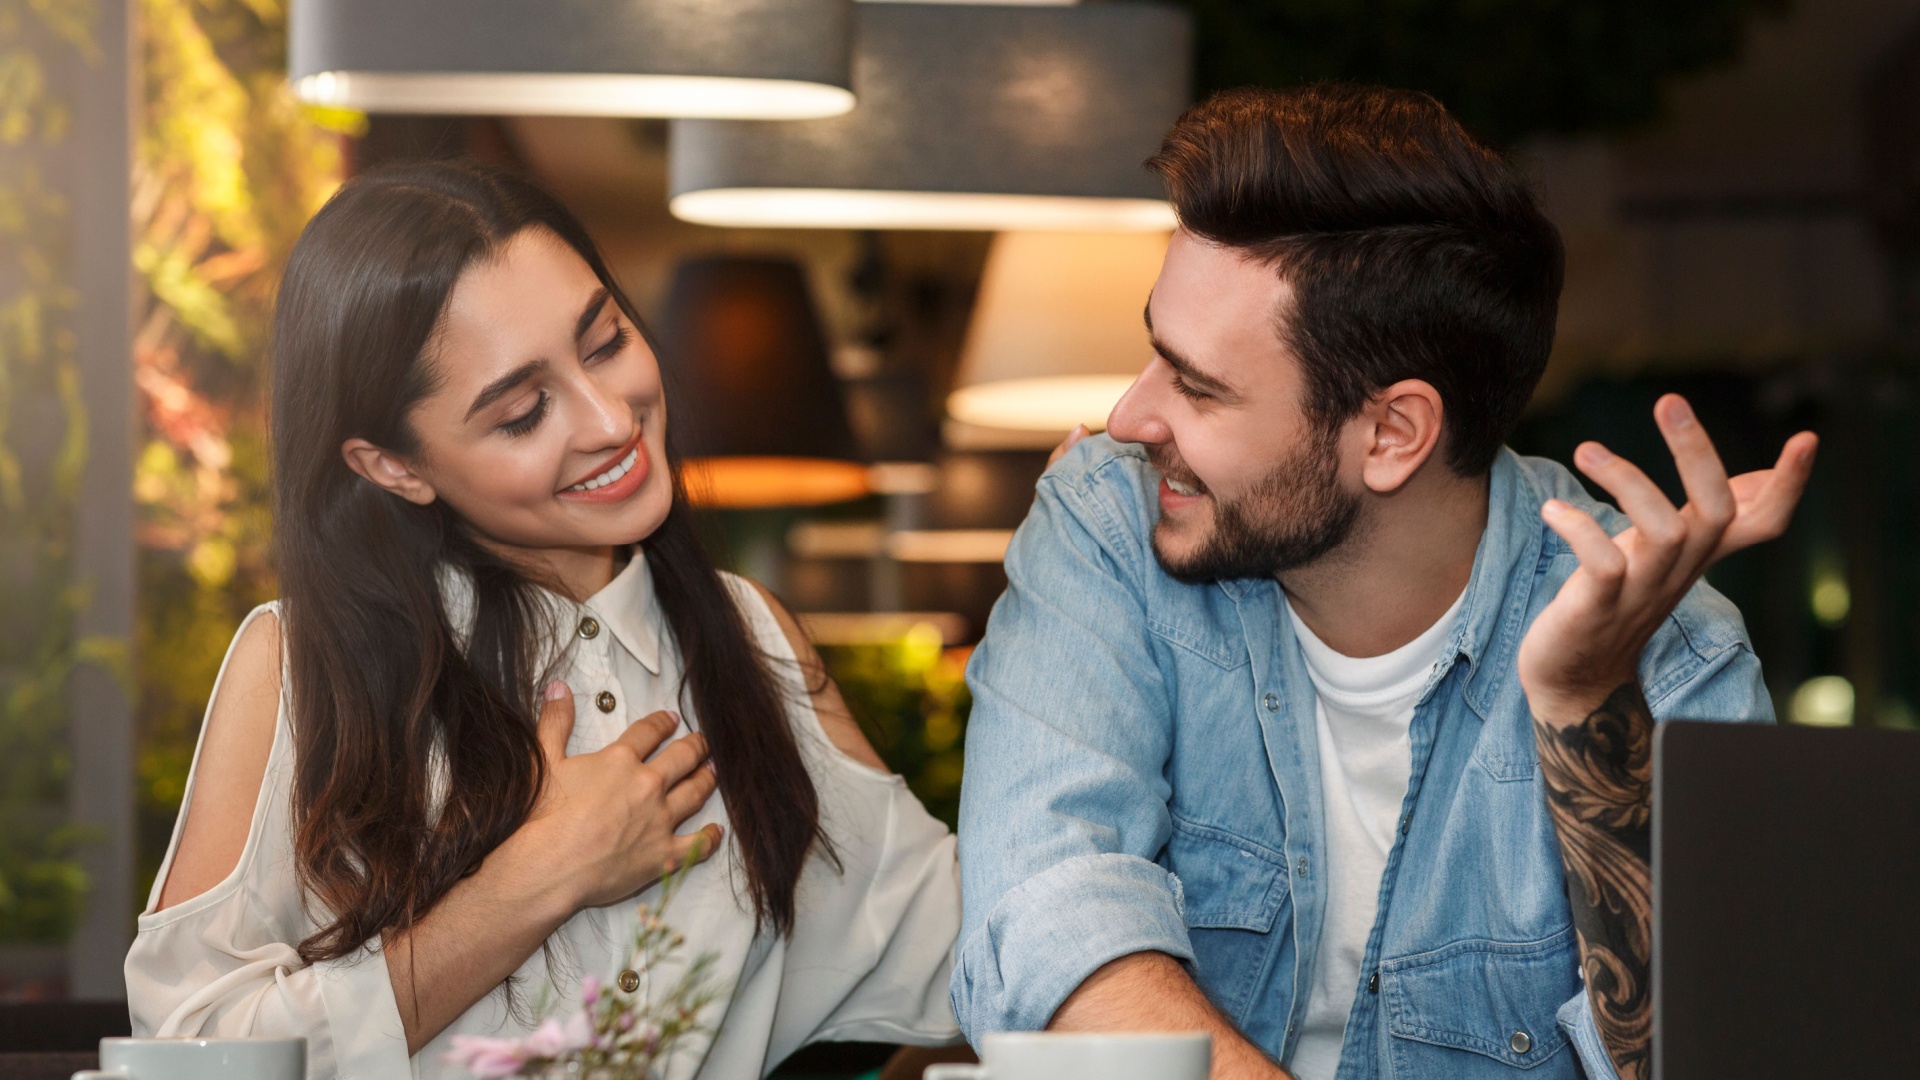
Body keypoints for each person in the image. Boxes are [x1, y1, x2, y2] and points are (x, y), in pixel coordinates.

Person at [951, 84, 1816, 1080]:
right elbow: (1049, 919)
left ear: (1391, 434)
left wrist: (1587, 708)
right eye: (1156, 355)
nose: (1132, 416)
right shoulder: (1108, 524)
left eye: (1197, 387)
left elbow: (1713, 1055)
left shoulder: (1669, 641)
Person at [125, 160, 961, 1080]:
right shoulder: (298, 666)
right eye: (523, 413)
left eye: (604, 342)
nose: (611, 421)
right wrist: (535, 880)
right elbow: (186, 1050)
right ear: (394, 467)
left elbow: (970, 954)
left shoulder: (748, 635)